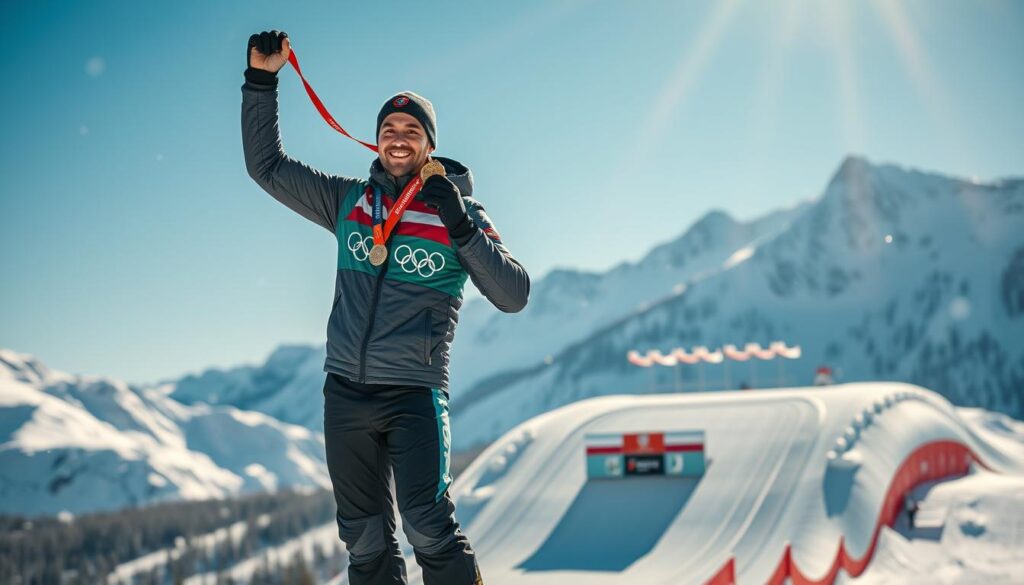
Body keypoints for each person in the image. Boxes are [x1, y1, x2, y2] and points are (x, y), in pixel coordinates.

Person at [241, 30, 530, 585]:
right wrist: (261, 80)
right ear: (376, 141)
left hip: (414, 394)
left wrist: (462, 223)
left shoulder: (461, 213)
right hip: (345, 395)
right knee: (365, 542)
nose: (398, 138)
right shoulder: (349, 201)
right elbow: (267, 168)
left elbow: (512, 295)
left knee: (428, 528)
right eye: (388, 130)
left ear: (429, 144)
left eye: (411, 130)